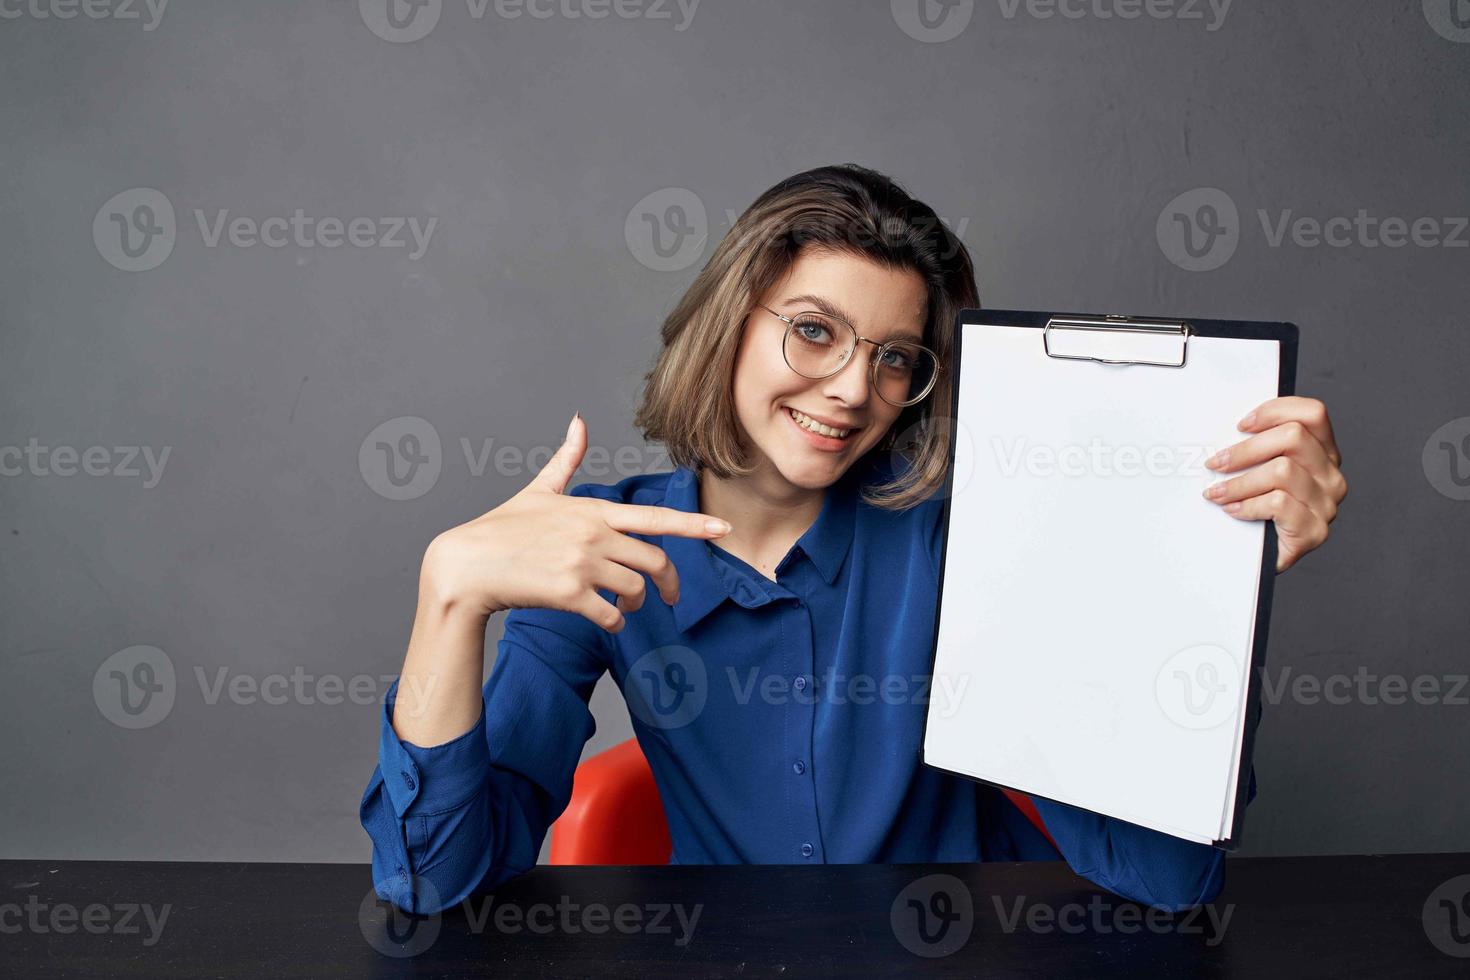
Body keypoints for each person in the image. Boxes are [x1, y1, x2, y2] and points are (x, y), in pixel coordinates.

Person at [359, 164, 1347, 916]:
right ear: (728, 325)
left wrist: (1214, 581)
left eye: (895, 358)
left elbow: (1169, 874)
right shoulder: (603, 549)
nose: (849, 389)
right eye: (816, 331)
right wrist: (449, 594)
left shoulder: (965, 539)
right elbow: (431, 878)